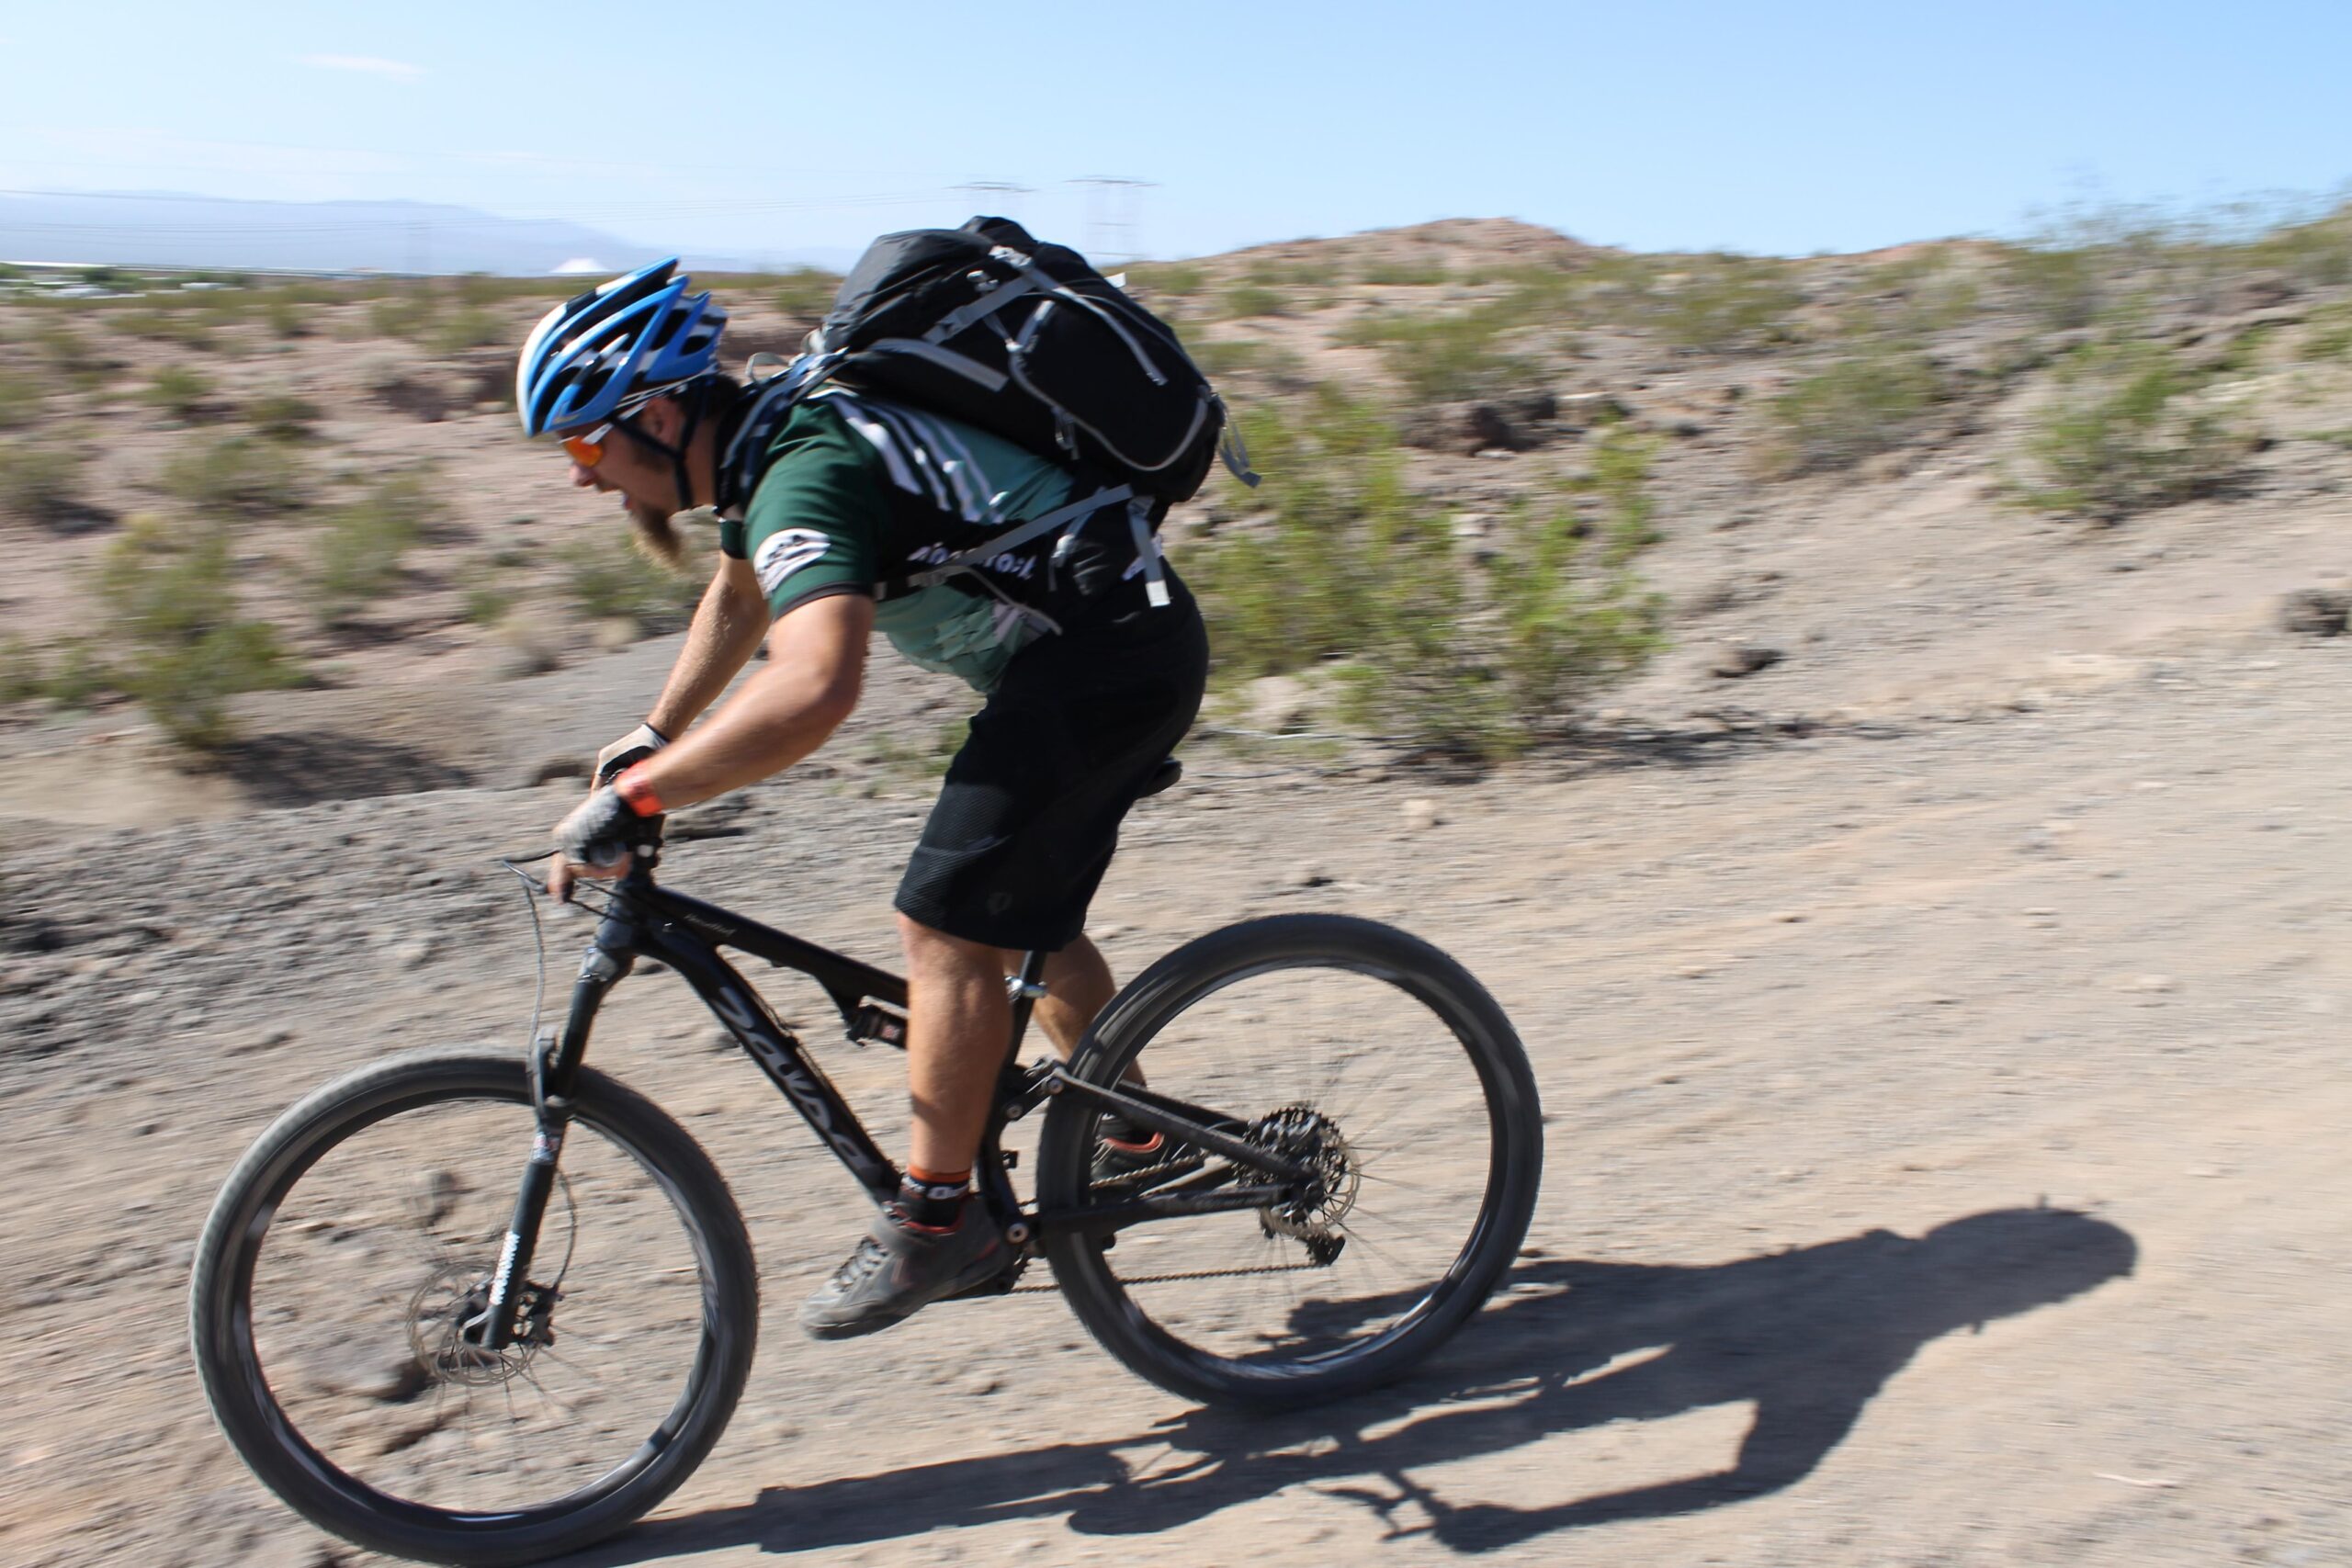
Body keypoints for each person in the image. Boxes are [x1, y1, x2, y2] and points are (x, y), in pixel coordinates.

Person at [517, 259, 1208, 1340]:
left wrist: (644, 799)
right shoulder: (768, 448)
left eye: (582, 445)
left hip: (1107, 660)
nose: (579, 478)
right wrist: (658, 733)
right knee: (1012, 909)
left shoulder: (804, 462)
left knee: (940, 925)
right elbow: (744, 587)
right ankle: (1140, 1142)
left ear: (652, 415)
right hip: (1088, 654)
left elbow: (814, 687)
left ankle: (941, 1222)